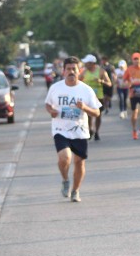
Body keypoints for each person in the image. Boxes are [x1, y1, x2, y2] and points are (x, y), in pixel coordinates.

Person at [44, 56, 102, 202]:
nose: (71, 72)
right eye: (68, 69)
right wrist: (51, 111)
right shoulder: (55, 88)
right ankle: (65, 179)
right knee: (65, 157)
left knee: (79, 162)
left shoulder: (86, 90)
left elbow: (96, 112)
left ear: (79, 71)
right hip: (60, 129)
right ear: (63, 71)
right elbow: (48, 104)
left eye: (74, 69)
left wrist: (84, 108)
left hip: (80, 131)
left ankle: (75, 191)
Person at [79, 54, 111, 141]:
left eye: (87, 63)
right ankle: (90, 130)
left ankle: (97, 131)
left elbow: (109, 83)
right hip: (87, 97)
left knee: (98, 115)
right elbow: (77, 82)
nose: (85, 65)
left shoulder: (101, 71)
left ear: (92, 63)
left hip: (99, 97)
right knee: (88, 115)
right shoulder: (84, 72)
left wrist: (101, 81)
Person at [123, 52, 140, 140]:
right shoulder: (129, 69)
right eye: (134, 59)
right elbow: (125, 80)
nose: (136, 61)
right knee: (134, 113)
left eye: (137, 59)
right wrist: (129, 85)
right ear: (132, 60)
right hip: (133, 93)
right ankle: (134, 130)